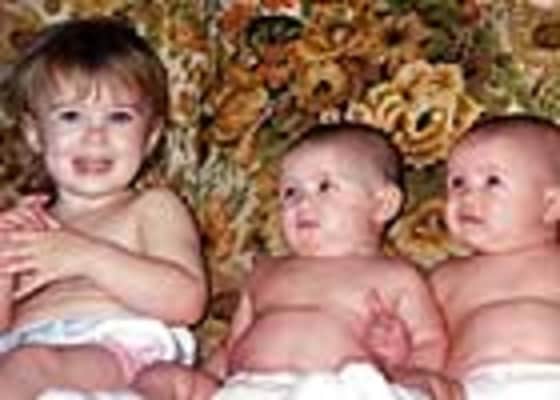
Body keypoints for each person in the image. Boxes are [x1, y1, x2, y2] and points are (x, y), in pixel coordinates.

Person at [129, 123, 457, 400]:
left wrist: (402, 369)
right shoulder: (266, 273)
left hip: (339, 388)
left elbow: (430, 341)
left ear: (383, 204)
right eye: (290, 192)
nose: (301, 202)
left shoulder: (394, 276)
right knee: (159, 377)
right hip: (247, 389)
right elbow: (231, 347)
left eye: (324, 186)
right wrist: (204, 380)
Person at [0, 16, 207, 399]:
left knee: (29, 364)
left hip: (117, 351)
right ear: (34, 134)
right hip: (22, 352)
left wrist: (85, 256)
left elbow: (187, 302)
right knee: (23, 364)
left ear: (150, 137)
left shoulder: (152, 208)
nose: (95, 136)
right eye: (70, 116)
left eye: (119, 117)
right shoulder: (28, 223)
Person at [430, 114, 560, 398]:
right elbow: (426, 343)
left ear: (551, 205)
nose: (466, 196)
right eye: (457, 182)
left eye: (492, 181)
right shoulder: (445, 277)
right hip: (471, 389)